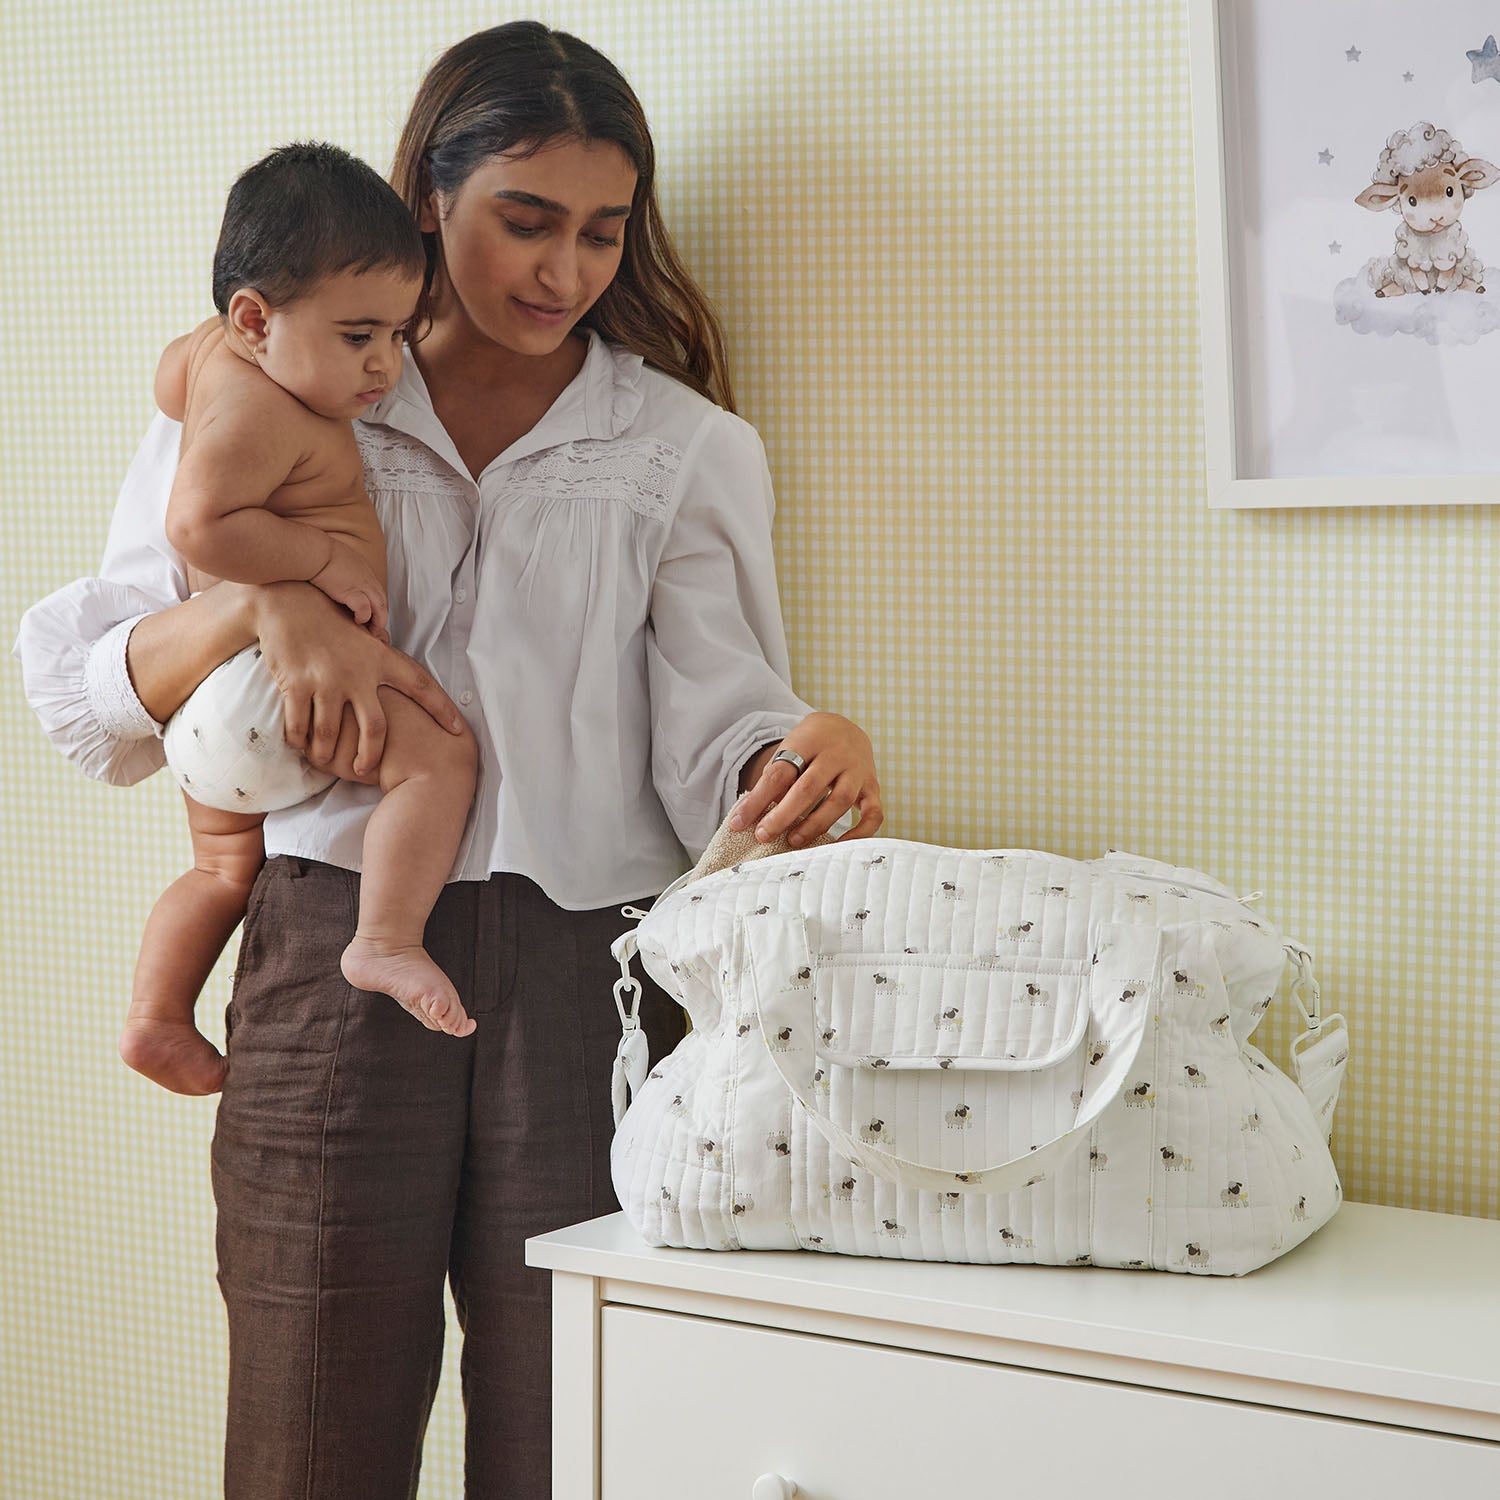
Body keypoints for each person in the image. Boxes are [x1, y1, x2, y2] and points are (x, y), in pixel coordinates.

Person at [14, 20, 883, 1500]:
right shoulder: (269, 382)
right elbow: (94, 698)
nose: (565, 270)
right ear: (429, 196)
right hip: (328, 955)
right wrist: (264, 607)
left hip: (594, 980)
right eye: (524, 220)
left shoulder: (681, 448)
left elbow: (712, 753)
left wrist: (809, 752)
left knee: (570, 1430)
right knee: (307, 1425)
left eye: (603, 231)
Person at [126, 142, 479, 1100]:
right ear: (253, 319)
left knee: (219, 871)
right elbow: (198, 524)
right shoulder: (272, 415)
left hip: (206, 701)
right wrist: (321, 561)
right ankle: (386, 939)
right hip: (271, 689)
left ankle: (157, 1015)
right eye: (358, 335)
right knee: (440, 759)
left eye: (399, 333)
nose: (385, 365)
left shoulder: (207, 360)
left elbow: (168, 381)